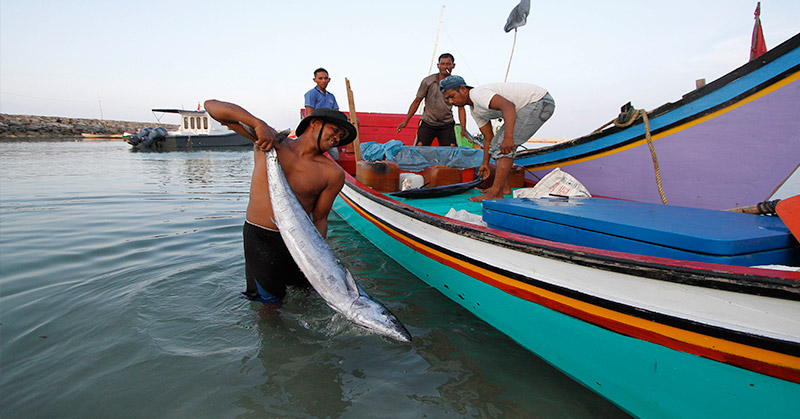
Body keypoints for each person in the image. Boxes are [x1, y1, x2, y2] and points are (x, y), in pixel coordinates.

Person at [204, 99, 357, 303]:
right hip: (261, 238)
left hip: (301, 242)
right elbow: (212, 107)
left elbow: (320, 218)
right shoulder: (269, 142)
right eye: (335, 130)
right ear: (314, 123)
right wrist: (257, 124)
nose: (337, 138)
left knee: (308, 298)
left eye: (341, 136)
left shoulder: (333, 173)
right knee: (268, 305)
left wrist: (316, 259)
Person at [439, 75, 555, 202]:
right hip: (529, 106)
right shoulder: (475, 111)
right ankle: (503, 188)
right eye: (447, 99)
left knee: (503, 146)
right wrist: (485, 164)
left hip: (539, 101)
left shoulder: (478, 94)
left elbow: (508, 107)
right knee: (496, 145)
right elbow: (488, 138)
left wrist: (508, 137)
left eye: (451, 96)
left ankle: (496, 192)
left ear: (463, 89)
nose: (450, 101)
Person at [397, 53, 467, 147]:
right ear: (438, 66)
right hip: (428, 123)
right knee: (420, 148)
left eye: (448, 64)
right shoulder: (428, 81)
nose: (445, 67)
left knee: (451, 150)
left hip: (447, 124)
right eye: (442, 64)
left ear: (453, 66)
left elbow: (461, 107)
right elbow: (417, 101)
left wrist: (463, 128)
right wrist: (406, 121)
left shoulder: (456, 84)